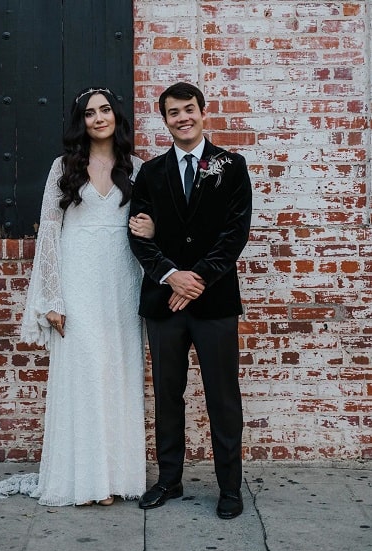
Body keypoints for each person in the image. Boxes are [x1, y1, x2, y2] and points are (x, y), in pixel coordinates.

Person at [0, 87, 154, 506]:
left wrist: (152, 231)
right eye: (89, 112)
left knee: (119, 374)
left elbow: (152, 224)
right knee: (83, 376)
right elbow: (49, 232)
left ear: (116, 115)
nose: (98, 118)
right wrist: (53, 297)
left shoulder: (137, 168)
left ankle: (115, 480)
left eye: (104, 110)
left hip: (121, 281)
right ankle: (84, 481)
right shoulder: (63, 167)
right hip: (77, 278)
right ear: (79, 121)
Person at [128, 82, 252, 519]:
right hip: (164, 304)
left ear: (203, 112)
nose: (181, 118)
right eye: (172, 112)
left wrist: (195, 280)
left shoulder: (231, 166)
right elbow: (138, 234)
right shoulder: (150, 173)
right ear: (164, 120)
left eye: (188, 110)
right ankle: (169, 480)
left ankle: (231, 488)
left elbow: (234, 234)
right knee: (167, 394)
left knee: (223, 396)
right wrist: (170, 276)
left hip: (214, 303)